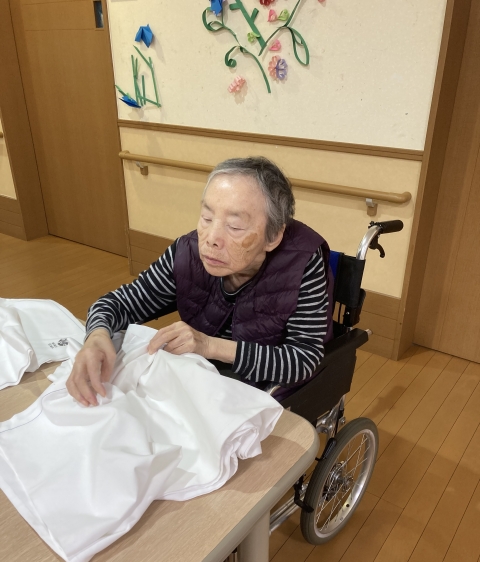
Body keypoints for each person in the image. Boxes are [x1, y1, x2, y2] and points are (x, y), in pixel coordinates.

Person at [66, 156, 333, 407]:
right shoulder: (188, 252)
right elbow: (118, 303)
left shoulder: (302, 263)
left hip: (260, 392)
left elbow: (302, 360)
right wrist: (96, 336)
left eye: (235, 227)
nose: (211, 238)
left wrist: (208, 345)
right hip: (202, 381)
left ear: (273, 237)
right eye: (207, 218)